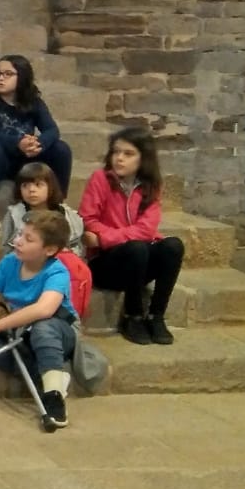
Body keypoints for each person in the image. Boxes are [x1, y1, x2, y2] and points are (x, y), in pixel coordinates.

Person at [0, 210, 79, 429]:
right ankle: (48, 377)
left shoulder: (57, 272)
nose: (18, 241)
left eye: (28, 239)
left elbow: (44, 309)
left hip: (57, 330)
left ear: (49, 250)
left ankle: (54, 396)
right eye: (19, 234)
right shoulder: (9, 262)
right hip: (20, 330)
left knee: (42, 330)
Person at [79, 125, 185, 346]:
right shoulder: (100, 179)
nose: (119, 158)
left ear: (143, 158)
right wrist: (112, 241)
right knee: (136, 247)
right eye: (116, 152)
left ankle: (156, 316)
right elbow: (88, 221)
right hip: (105, 263)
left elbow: (147, 229)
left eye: (128, 154)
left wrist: (105, 238)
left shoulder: (152, 185)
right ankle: (133, 315)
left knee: (173, 246)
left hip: (136, 258)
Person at [0, 54, 72, 232]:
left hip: (26, 161)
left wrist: (39, 144)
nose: (1, 78)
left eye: (8, 74)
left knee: (61, 148)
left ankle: (58, 205)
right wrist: (18, 142)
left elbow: (52, 130)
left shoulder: (34, 102)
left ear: (22, 76)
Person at [0, 161, 85, 257]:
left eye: (38, 185)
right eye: (25, 185)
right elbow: (7, 249)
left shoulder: (68, 216)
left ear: (51, 187)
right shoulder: (14, 214)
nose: (31, 190)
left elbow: (76, 249)